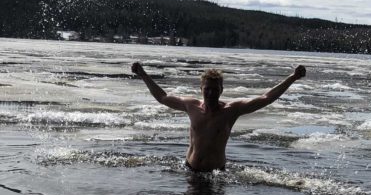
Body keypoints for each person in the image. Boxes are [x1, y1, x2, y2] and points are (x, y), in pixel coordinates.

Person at [131, 62, 306, 172]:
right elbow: (162, 97)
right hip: (190, 169)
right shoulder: (190, 106)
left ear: (221, 90)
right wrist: (143, 74)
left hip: (216, 174)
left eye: (215, 89)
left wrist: (293, 77)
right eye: (207, 88)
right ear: (201, 88)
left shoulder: (231, 110)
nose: (211, 93)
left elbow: (266, 98)